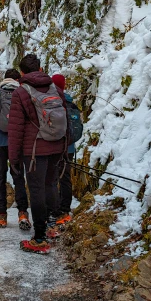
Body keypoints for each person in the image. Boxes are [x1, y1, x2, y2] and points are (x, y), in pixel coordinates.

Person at [7, 53, 68, 254]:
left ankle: (40, 238)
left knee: (36, 190)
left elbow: (15, 129)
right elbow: (66, 118)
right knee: (51, 184)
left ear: (22, 73)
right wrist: (65, 146)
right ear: (41, 69)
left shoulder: (21, 93)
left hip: (33, 151)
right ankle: (52, 226)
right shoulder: (55, 89)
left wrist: (13, 157)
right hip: (56, 146)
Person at [0, 68, 31, 230]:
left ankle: (2, 215)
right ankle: (23, 213)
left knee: (0, 178)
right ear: (17, 80)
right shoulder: (22, 94)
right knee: (18, 177)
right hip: (17, 142)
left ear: (4, 79)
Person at [51, 74, 82, 224]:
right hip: (69, 147)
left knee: (52, 178)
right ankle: (65, 210)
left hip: (55, 147)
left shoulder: (52, 101)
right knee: (65, 178)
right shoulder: (69, 101)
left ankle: (55, 211)